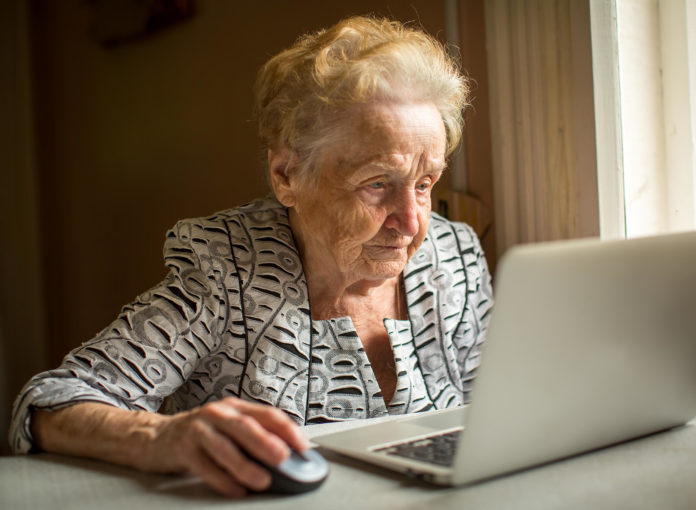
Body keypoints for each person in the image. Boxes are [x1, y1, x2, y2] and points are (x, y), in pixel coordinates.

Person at [9, 15, 492, 497]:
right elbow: (49, 403)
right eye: (377, 184)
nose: (410, 222)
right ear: (287, 175)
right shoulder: (227, 270)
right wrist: (159, 435)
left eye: (425, 183)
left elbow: (502, 414)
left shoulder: (455, 258)